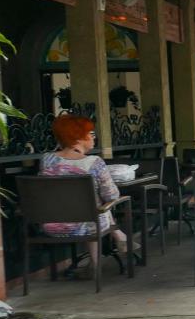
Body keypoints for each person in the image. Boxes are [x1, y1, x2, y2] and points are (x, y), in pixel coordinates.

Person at [39, 114, 136, 274]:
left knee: (92, 205)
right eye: (91, 133)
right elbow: (112, 196)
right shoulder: (94, 163)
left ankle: (98, 260)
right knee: (99, 207)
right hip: (87, 226)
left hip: (52, 225)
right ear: (78, 137)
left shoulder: (47, 160)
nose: (94, 138)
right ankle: (118, 238)